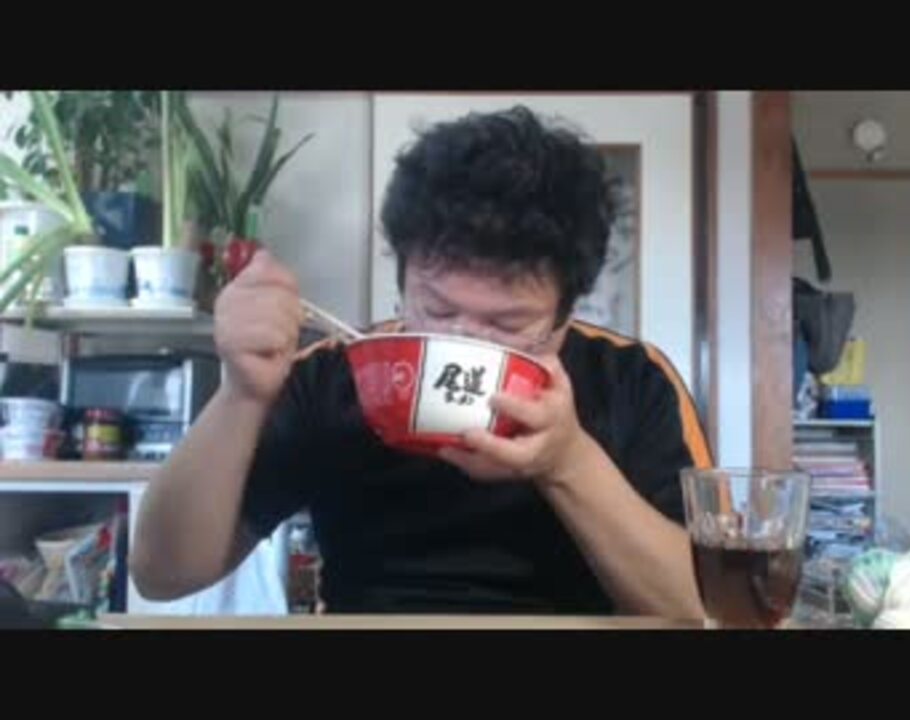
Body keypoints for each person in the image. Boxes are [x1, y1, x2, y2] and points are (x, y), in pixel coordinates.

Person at [131, 105, 712, 617]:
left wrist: (566, 462)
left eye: (508, 326)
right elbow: (161, 574)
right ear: (402, 280)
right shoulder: (333, 375)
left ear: (565, 314)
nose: (464, 342)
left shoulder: (632, 380)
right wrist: (241, 394)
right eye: (436, 309)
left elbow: (702, 607)